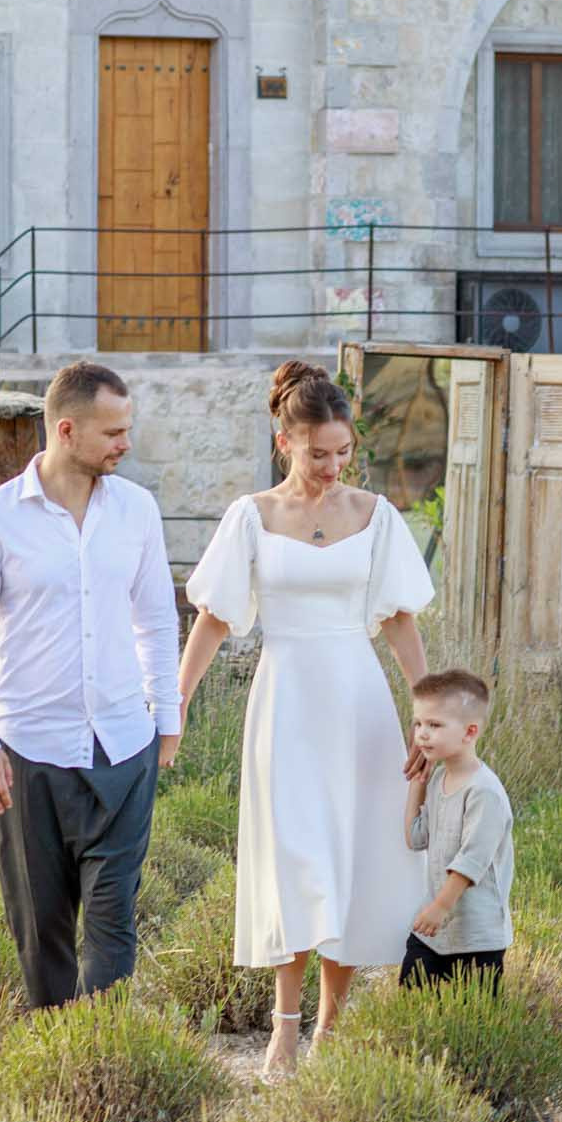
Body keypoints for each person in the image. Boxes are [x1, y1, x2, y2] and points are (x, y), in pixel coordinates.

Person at [178, 358, 434, 1081]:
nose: (332, 467)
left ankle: (329, 1031)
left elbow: (401, 623)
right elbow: (214, 620)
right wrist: (178, 702)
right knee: (295, 855)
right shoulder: (250, 517)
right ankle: (283, 1029)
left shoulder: (375, 516)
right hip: (286, 699)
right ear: (283, 439)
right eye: (318, 453)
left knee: (351, 857)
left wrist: (427, 712)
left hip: (359, 703)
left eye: (344, 452)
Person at [0, 358, 181, 1011]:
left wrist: (169, 717)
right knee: (41, 932)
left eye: (127, 429)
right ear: (67, 430)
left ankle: (102, 1059)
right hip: (29, 754)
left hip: (124, 746)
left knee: (113, 928)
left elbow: (156, 618)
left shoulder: (137, 511)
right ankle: (56, 1063)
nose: (125, 444)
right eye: (113, 432)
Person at [401, 669, 515, 992]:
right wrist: (418, 783)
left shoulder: (484, 792)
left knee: (475, 1021)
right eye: (419, 723)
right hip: (434, 934)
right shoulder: (438, 781)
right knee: (413, 1003)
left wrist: (440, 907)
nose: (422, 734)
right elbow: (415, 837)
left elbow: (472, 860)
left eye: (434, 725)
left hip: (476, 937)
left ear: (469, 732)